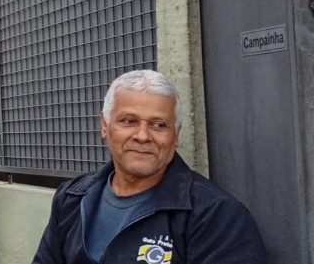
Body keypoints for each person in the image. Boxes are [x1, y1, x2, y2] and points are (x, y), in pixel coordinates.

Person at [31, 70, 267, 264]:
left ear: (176, 135)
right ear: (104, 125)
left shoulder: (215, 215)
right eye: (129, 121)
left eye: (159, 125)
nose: (143, 136)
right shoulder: (71, 198)